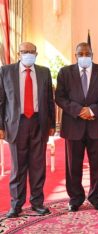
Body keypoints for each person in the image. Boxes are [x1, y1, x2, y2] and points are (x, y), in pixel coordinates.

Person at [55, 42, 98, 212]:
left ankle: (96, 196)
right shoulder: (64, 72)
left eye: (87, 53)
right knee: (73, 164)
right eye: (80, 54)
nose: (84, 56)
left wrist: (92, 110)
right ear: (75, 56)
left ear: (92, 54)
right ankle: (75, 198)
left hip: (97, 124)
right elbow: (59, 97)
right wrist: (79, 110)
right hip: (73, 125)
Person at [0, 42, 56, 218]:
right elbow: (1, 101)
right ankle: (16, 205)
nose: (28, 54)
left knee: (38, 166)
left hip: (39, 123)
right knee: (18, 167)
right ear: (19, 54)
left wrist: (52, 125)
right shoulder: (5, 71)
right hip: (17, 124)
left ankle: (37, 203)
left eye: (32, 52)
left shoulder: (44, 72)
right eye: (25, 52)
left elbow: (49, 100)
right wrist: (0, 126)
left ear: (36, 54)